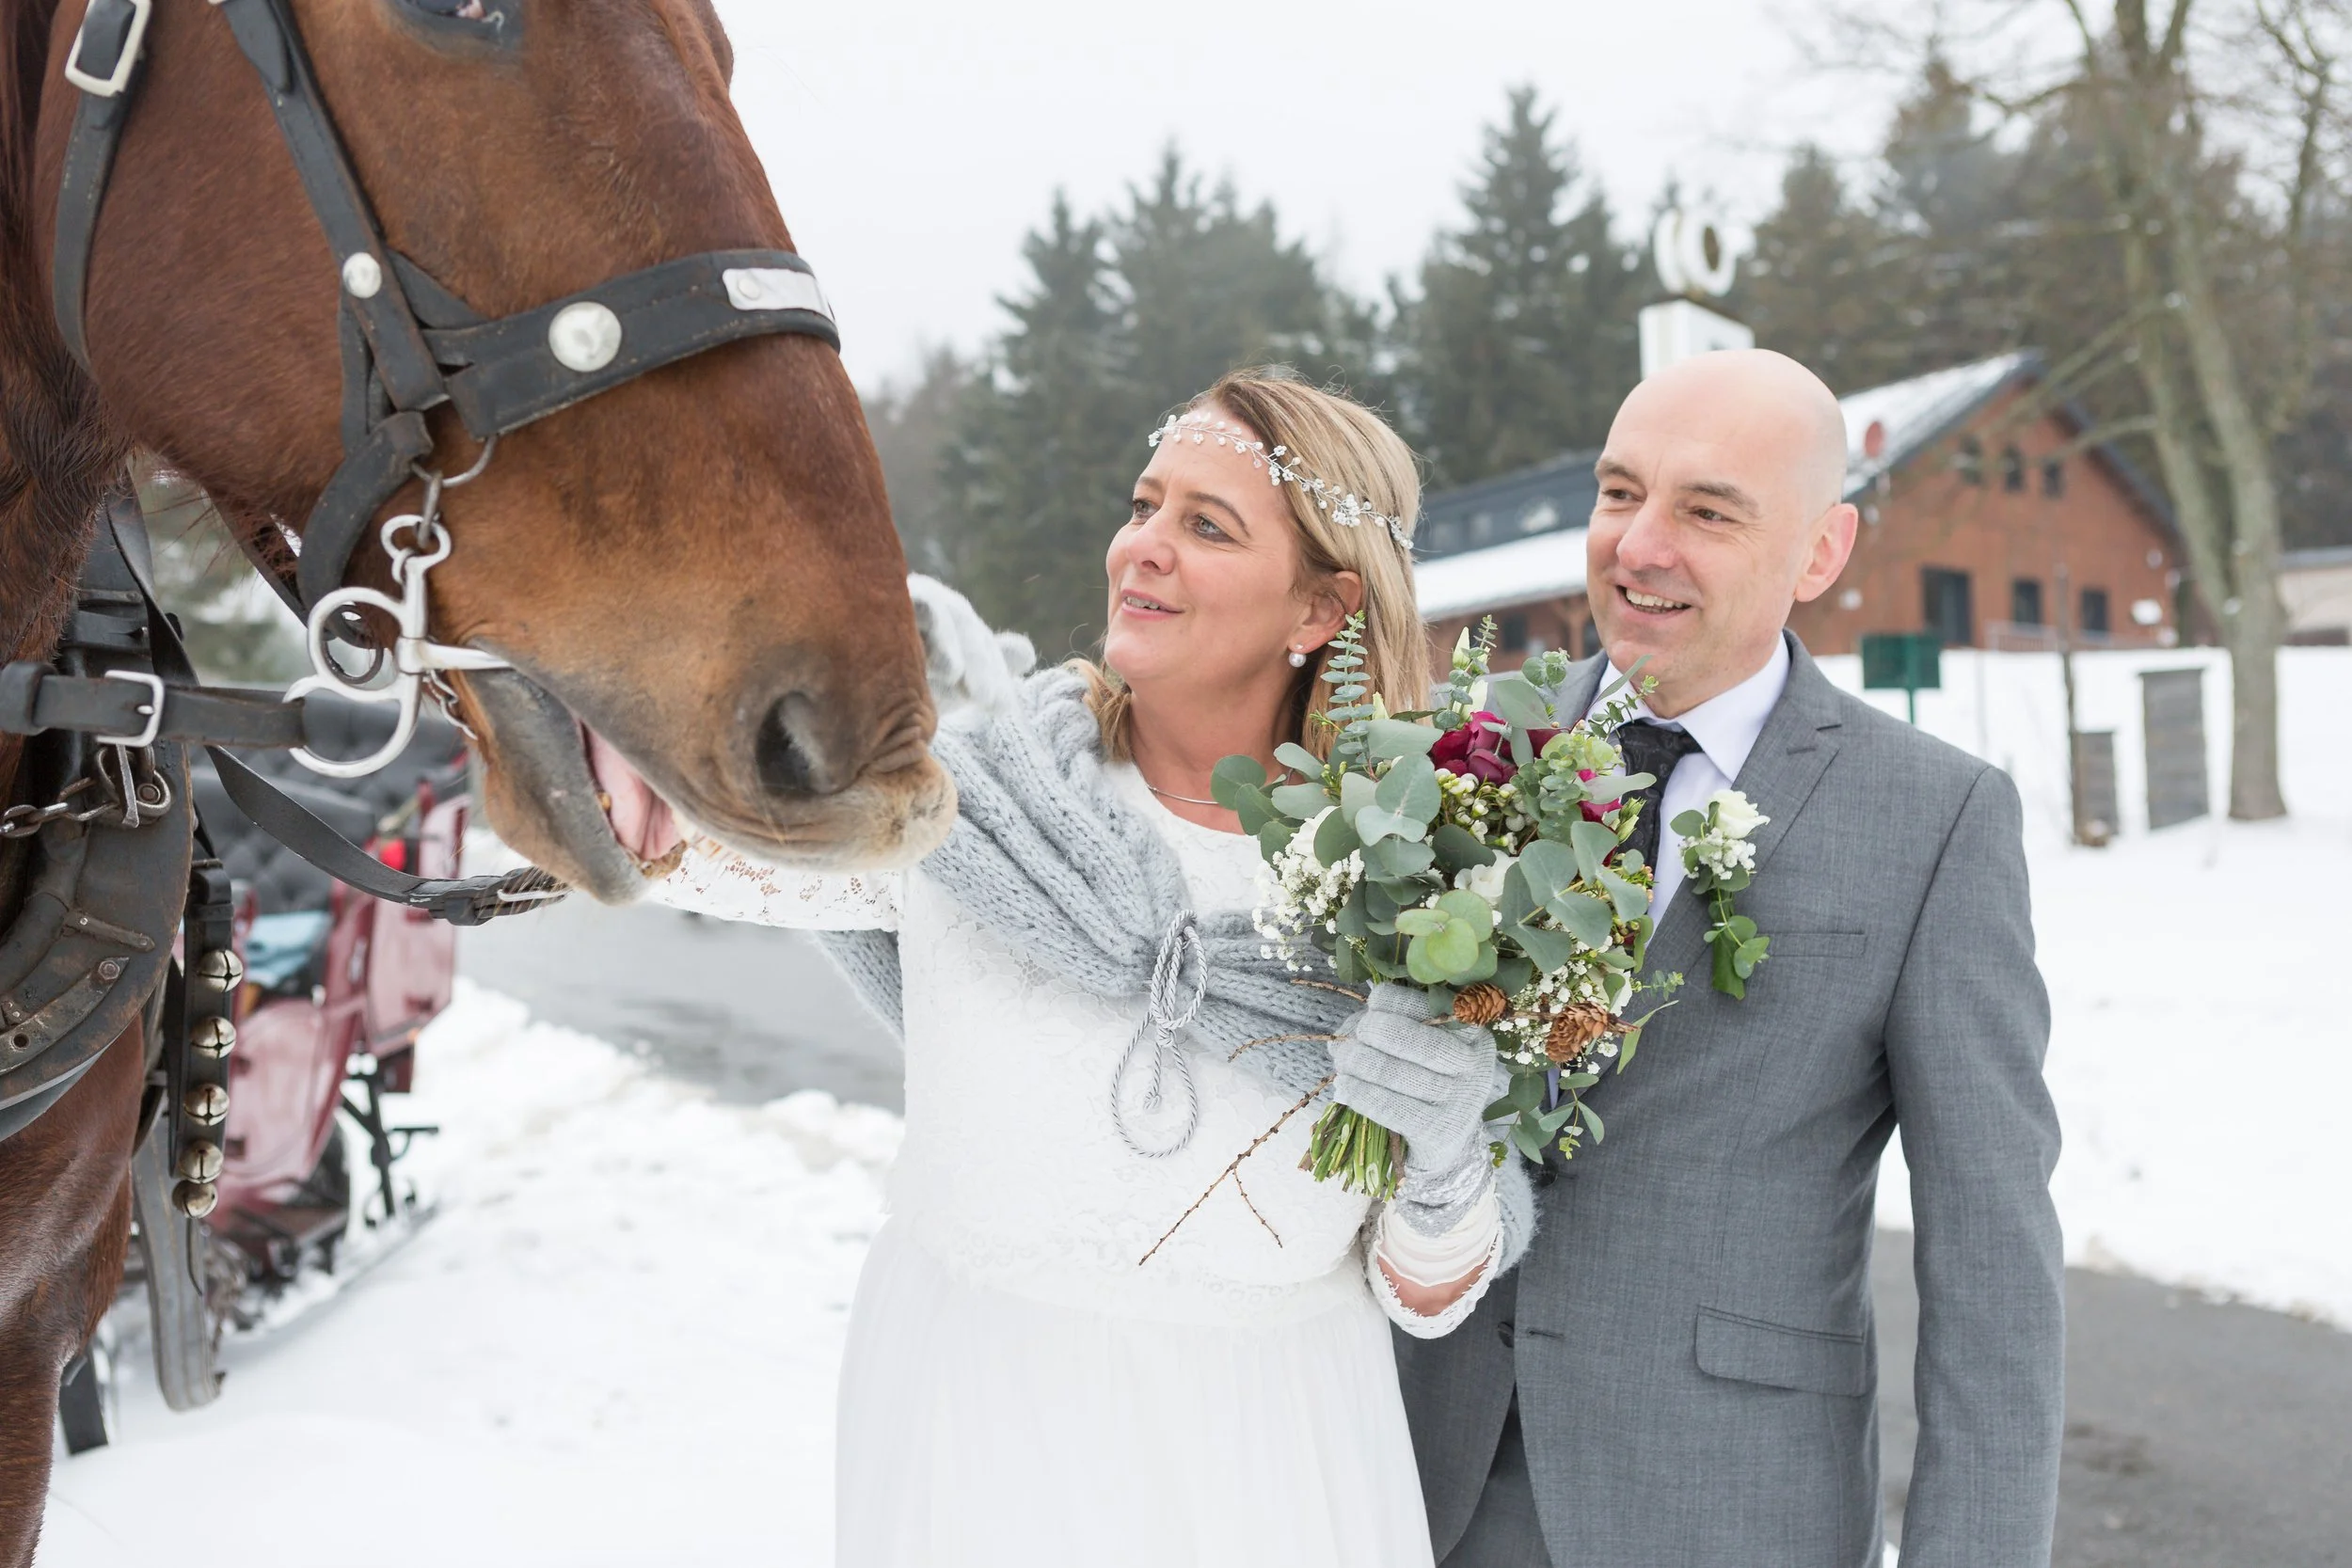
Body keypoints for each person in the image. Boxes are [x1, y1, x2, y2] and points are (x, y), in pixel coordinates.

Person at [640, 367, 1531, 1567]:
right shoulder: (969, 802)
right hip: (970, 1426)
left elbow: (1429, 1290)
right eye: (1143, 504)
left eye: (1206, 525)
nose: (1142, 546)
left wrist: (1443, 1151)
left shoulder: (1416, 888)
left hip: (1264, 1465)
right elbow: (669, 833)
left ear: (1319, 608)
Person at [1393, 348, 2064, 1567]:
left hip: (1734, 1503)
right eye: (1618, 492)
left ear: (1820, 551)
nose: (1639, 543)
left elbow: (1993, 1260)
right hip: (1417, 1483)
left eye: (1707, 511)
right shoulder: (1453, 755)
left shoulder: (1934, 818)